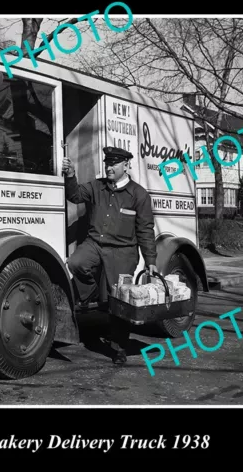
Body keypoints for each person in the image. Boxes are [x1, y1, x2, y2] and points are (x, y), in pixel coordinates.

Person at [62, 146, 158, 365]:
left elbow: (145, 230)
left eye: (114, 164)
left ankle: (119, 347)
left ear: (126, 166)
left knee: (119, 301)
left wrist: (150, 260)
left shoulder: (139, 195)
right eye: (107, 163)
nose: (109, 167)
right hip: (95, 244)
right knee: (76, 263)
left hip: (122, 252)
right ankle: (93, 294)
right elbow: (75, 195)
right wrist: (70, 175)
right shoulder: (98, 186)